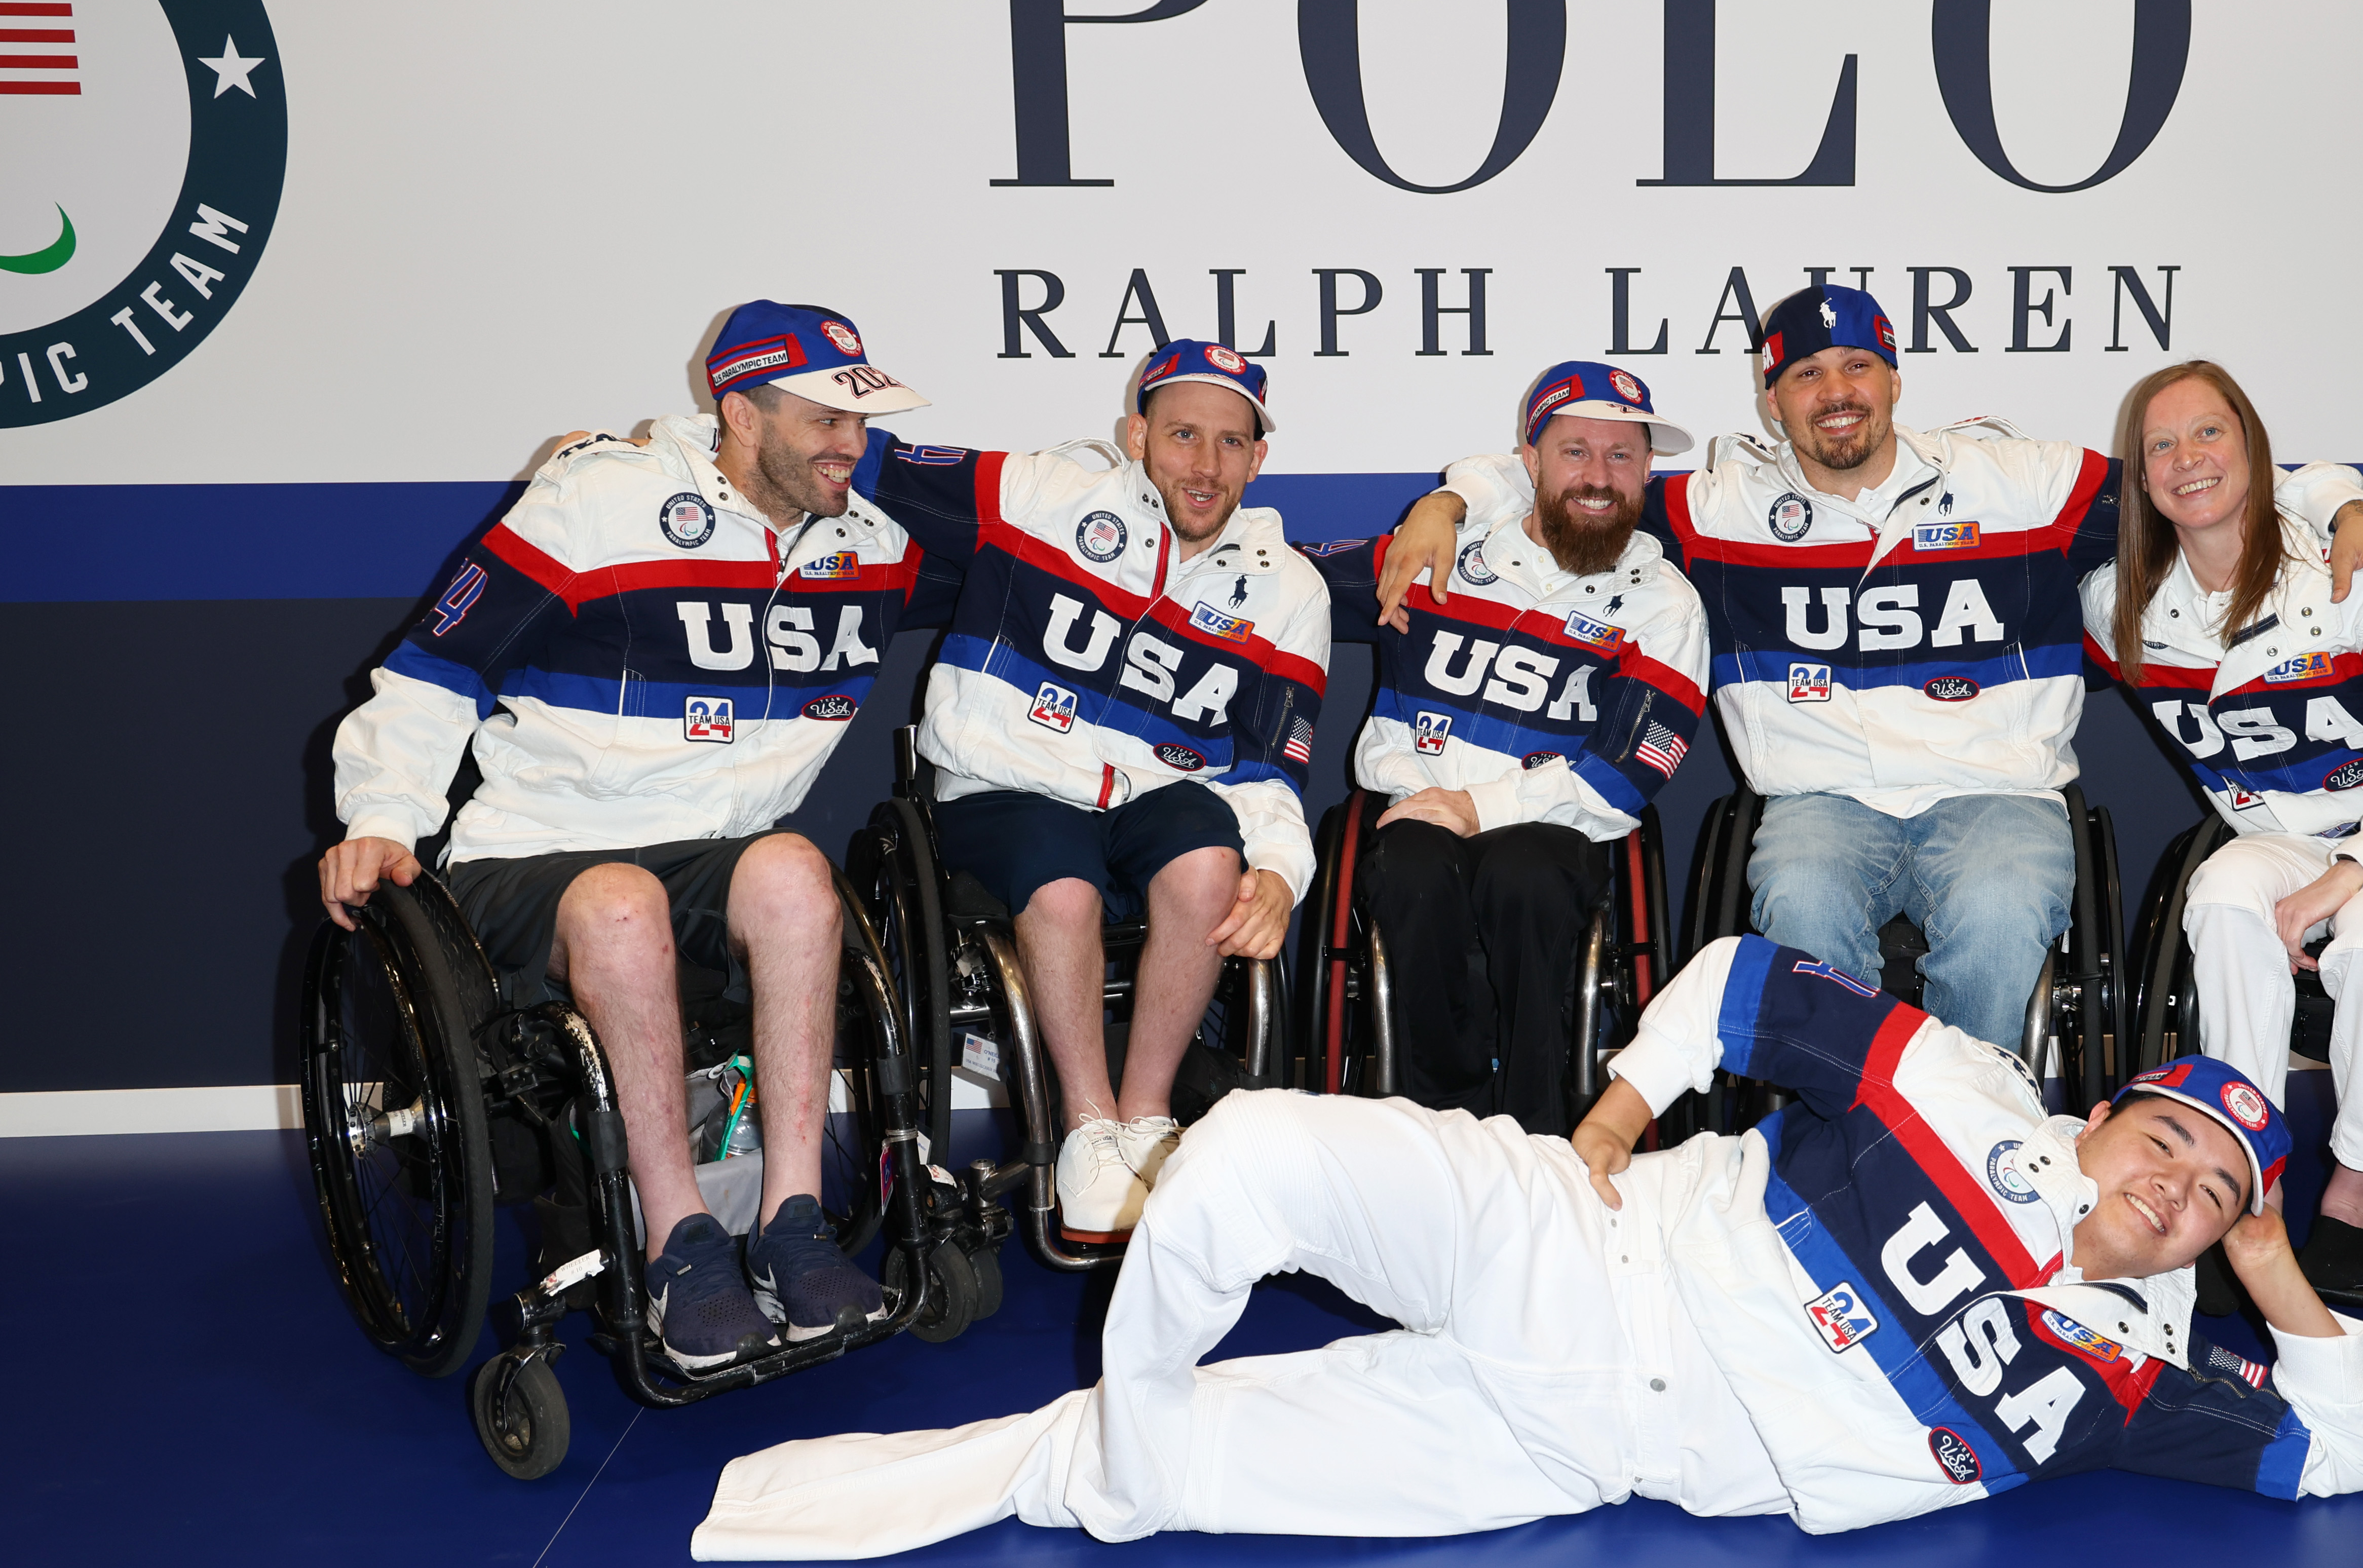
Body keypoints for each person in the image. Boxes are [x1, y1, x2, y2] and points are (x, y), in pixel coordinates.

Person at [688, 934, 2363, 1557]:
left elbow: (2357, 1446)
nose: (2180, 1185)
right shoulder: (1959, 1086)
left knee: (1167, 1483)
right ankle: (1135, 1433)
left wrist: (2266, 1261)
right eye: (2171, 1136)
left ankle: (1102, 1464)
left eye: (2218, 1188)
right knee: (1248, 1148)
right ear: (2108, 1110)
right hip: (1578, 1241)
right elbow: (1741, 982)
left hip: (1595, 1446)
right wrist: (1607, 1123)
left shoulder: (2141, 1370)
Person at [1373, 284, 2363, 1052]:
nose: (1834, 391)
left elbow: (2197, 478)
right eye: (1804, 375)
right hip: (1822, 796)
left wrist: (2345, 501)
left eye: (1856, 367)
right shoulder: (1720, 505)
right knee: (1795, 889)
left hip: (1997, 792)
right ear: (1772, 400)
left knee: (2006, 905)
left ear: (1892, 379)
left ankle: (1968, 1139)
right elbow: (1573, 481)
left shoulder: (2019, 480)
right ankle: (1850, 1131)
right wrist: (1449, 500)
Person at [322, 300, 927, 1371]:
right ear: (740, 411)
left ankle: (793, 1218)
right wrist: (381, 814)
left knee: (795, 873)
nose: (851, 444)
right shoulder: (599, 498)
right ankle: (678, 1243)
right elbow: (434, 667)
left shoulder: (873, 550)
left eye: (860, 421)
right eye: (824, 419)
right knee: (618, 902)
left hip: (709, 853)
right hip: (534, 853)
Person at [852, 339, 1329, 1239]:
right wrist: (679, 445)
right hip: (1004, 782)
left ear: (1258, 458)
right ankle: (1084, 1127)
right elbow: (847, 457)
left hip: (1154, 792)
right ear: (1136, 433)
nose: (1205, 463)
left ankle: (1145, 1125)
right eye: (1184, 434)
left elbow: (1270, 766)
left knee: (1208, 864)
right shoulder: (1043, 493)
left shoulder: (1290, 587)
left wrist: (1277, 870)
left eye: (1231, 443)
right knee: (1063, 887)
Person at [2083, 361, 2363, 1291]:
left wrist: (2353, 871)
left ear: (2252, 449)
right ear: (2140, 475)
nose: (2186, 460)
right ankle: (2247, 1171)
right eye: (2160, 445)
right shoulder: (2123, 604)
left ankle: (2356, 1189)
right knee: (2225, 886)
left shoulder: (2357, 568)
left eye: (2210, 434)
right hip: (2288, 837)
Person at [1300, 361, 1710, 1131]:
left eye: (1621, 455)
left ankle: (1533, 1132)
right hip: (1414, 813)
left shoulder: (1666, 605)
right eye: (1574, 451)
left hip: (1554, 829)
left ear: (1647, 470)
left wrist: (1478, 806)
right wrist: (1442, 505)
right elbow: (1278, 578)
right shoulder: (1432, 555)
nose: (1598, 476)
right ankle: (1441, 1123)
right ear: (1530, 462)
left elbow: (1626, 775)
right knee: (1411, 873)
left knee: (1525, 873)